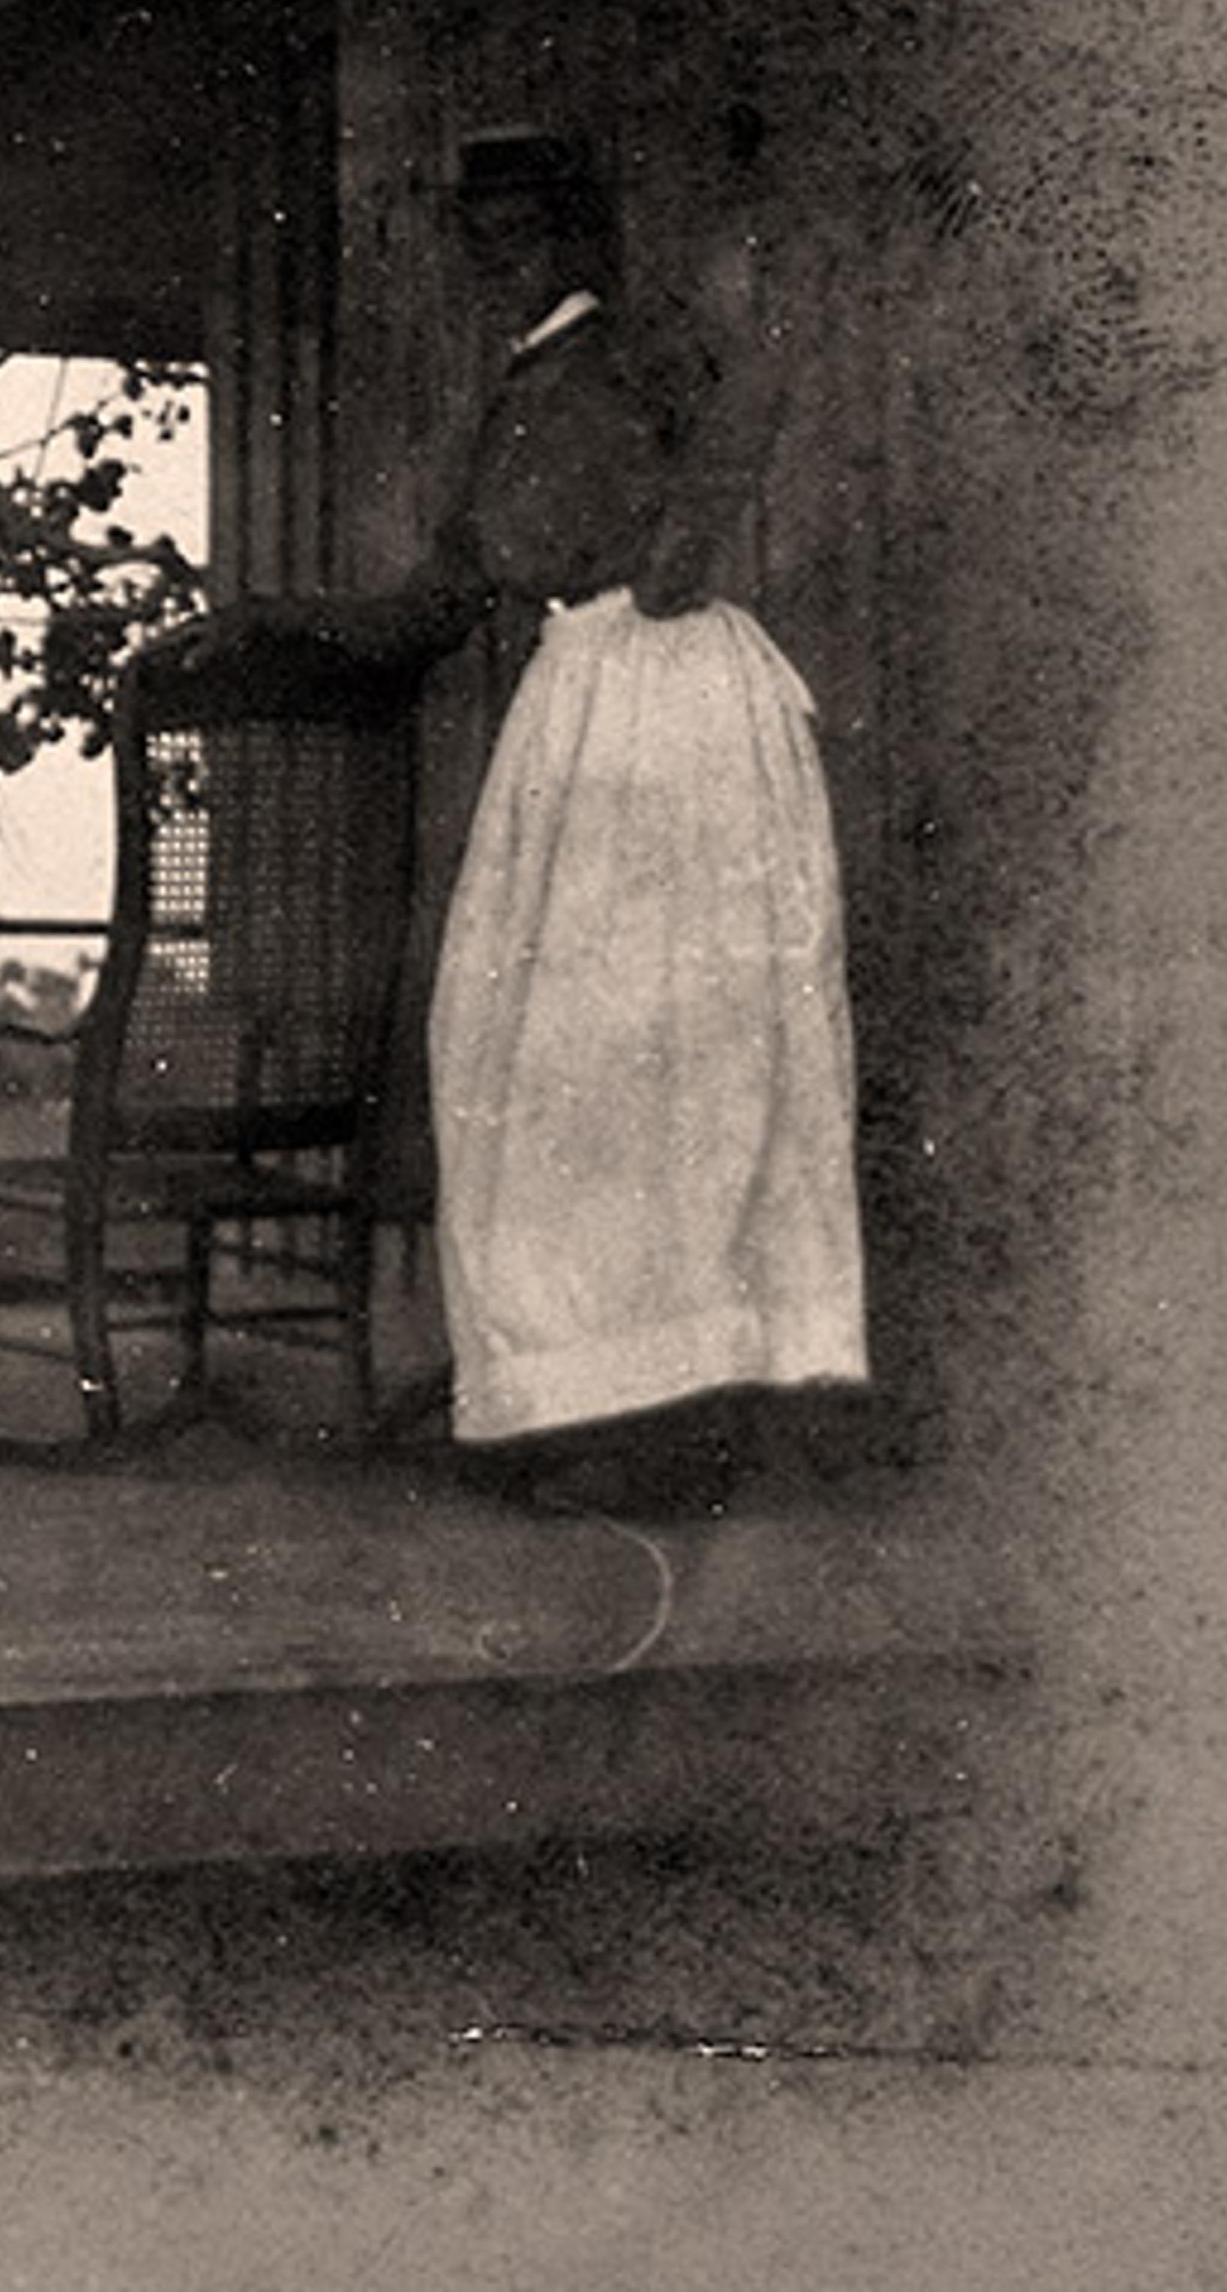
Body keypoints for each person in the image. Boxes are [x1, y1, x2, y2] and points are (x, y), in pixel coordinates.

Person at [410, 142, 870, 1514]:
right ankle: (570, 1399)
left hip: (658, 713)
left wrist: (680, 543)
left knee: (651, 1062)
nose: (505, 262)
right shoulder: (535, 378)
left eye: (528, 236)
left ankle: (665, 1419)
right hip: (593, 701)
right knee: (544, 1063)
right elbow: (461, 578)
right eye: (482, 240)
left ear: (577, 244)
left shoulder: (605, 369)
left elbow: (727, 442)